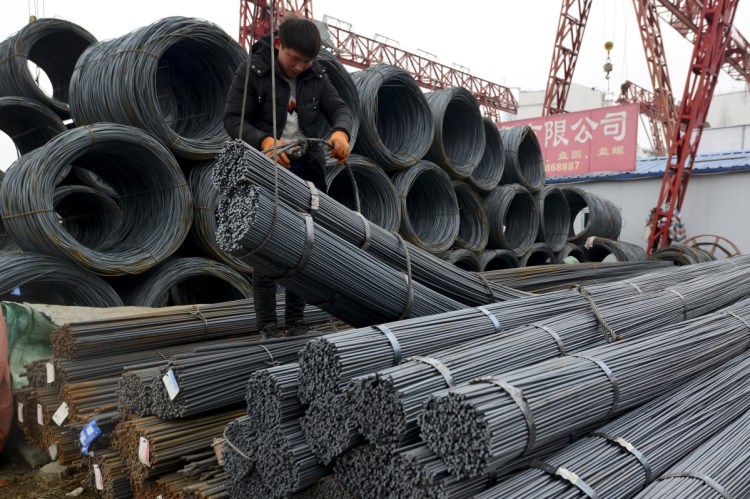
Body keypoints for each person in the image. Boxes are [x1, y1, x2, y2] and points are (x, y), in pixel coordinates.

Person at [224, 15, 353, 339]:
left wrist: (341, 132)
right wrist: (264, 141)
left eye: (305, 62)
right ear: (279, 45)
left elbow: (339, 108)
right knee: (267, 245)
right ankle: (267, 324)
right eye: (294, 59)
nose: (298, 67)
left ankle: (296, 320)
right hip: (265, 169)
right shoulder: (253, 71)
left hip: (303, 170)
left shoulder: (316, 75)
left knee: (304, 245)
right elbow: (232, 119)